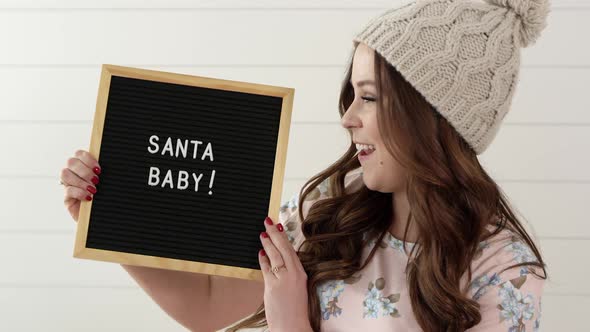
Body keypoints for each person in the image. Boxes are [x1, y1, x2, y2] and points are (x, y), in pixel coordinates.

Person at [60, 0, 551, 331]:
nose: (348, 119)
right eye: (351, 96)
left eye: (370, 98)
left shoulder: (503, 271)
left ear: (434, 119)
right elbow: (210, 304)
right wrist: (106, 222)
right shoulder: (327, 207)